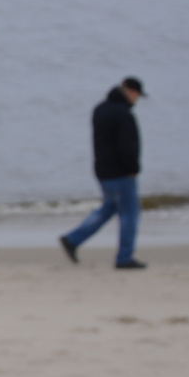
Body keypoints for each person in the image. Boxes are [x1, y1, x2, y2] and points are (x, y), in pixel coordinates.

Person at [59, 77, 147, 269]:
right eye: (138, 95)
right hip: (121, 172)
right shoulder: (124, 115)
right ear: (131, 92)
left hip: (102, 170)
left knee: (109, 208)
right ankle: (124, 257)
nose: (137, 99)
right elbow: (127, 147)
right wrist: (133, 169)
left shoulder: (100, 109)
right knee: (130, 213)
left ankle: (72, 240)